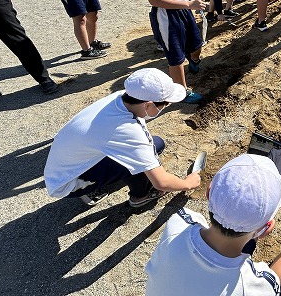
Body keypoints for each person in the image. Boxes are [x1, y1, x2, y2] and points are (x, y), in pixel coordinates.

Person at [145, 153, 281, 296]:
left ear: (209, 192)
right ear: (266, 228)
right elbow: (274, 280)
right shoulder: (252, 288)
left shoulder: (178, 223)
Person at [44, 68, 201, 207]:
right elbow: (161, 182)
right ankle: (140, 196)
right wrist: (187, 183)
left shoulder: (120, 97)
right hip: (64, 183)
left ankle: (96, 177)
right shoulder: (128, 131)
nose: (166, 107)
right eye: (165, 104)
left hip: (65, 162)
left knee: (156, 144)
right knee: (140, 160)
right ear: (148, 105)